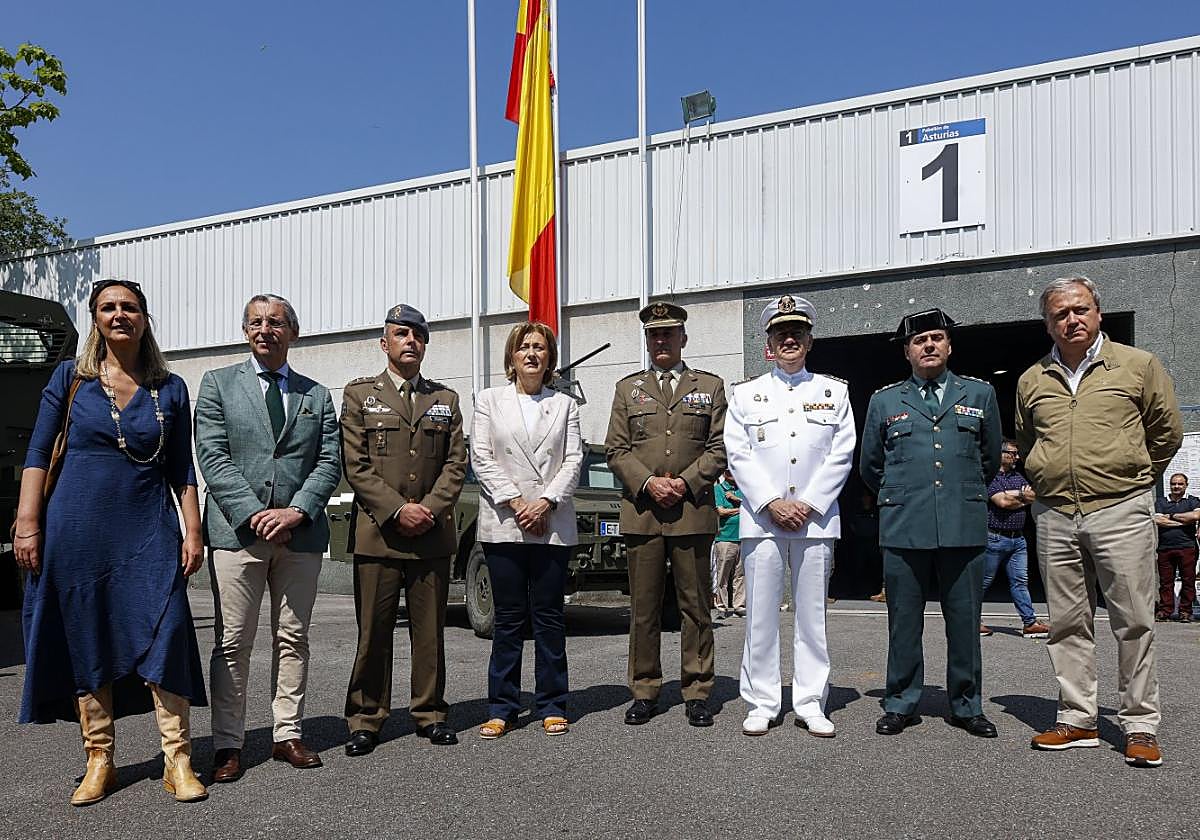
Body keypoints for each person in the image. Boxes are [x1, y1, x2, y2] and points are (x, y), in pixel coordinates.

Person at [14, 278, 208, 804]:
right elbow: (37, 453)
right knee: (87, 634)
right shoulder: (69, 378)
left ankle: (178, 758)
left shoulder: (170, 388)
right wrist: (27, 523)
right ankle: (99, 758)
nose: (119, 315)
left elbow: (180, 468)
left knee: (166, 631)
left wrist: (194, 530)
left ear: (144, 318)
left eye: (129, 307)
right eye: (108, 307)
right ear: (96, 319)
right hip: (76, 530)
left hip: (149, 529)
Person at [1017, 276, 1182, 768]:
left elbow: (1166, 432)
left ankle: (1140, 723)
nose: (1072, 319)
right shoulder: (1032, 380)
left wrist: (1132, 478)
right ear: (1048, 323)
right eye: (1060, 314)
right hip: (1055, 513)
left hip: (1120, 508)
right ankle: (1078, 718)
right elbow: (1029, 443)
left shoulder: (1138, 365)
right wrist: (1049, 479)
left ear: (1098, 312)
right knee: (1067, 622)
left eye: (1080, 309)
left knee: (1133, 619)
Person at [195, 293, 341, 781]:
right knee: (233, 641)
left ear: (292, 333)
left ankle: (287, 734)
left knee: (293, 636)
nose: (265, 329)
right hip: (240, 534)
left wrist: (297, 511)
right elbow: (212, 456)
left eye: (276, 322)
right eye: (256, 322)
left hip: (299, 537)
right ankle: (228, 744)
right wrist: (257, 514)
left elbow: (328, 461)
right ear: (244, 331)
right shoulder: (216, 385)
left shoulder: (316, 396)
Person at [860, 308, 1001, 739]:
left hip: (962, 521)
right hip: (905, 524)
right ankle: (901, 700)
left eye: (937, 338)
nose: (929, 346)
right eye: (919, 341)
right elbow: (870, 464)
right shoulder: (884, 401)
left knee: (964, 620)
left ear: (949, 345)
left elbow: (990, 458)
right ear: (907, 352)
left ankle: (966, 704)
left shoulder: (980, 395)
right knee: (904, 619)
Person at [725, 295, 855, 737]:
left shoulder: (834, 392)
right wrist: (770, 501)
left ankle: (811, 701)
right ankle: (762, 700)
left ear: (809, 340)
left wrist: (810, 503)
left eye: (797, 332)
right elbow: (738, 454)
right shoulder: (746, 393)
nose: (789, 339)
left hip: (816, 520)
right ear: (769, 343)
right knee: (760, 614)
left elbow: (842, 453)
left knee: (811, 615)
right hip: (762, 519)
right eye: (781, 333)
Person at [341, 304, 467, 755]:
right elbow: (355, 465)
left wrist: (428, 510)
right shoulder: (360, 395)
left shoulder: (445, 400)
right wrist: (398, 510)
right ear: (385, 343)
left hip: (431, 535)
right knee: (373, 633)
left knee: (429, 632)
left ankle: (430, 713)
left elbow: (456, 465)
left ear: (426, 344)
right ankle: (366, 718)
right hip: (380, 535)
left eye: (417, 335)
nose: (409, 341)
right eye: (400, 334)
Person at [605, 301, 727, 728]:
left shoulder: (709, 387)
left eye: (669, 333)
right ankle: (644, 689)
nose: (661, 340)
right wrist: (648, 483)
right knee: (644, 609)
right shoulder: (628, 389)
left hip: (692, 511)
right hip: (643, 512)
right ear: (647, 340)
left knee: (696, 608)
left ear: (683, 339)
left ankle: (697, 691)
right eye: (654, 335)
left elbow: (719, 447)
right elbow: (616, 449)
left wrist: (686, 482)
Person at [470, 321, 584, 739]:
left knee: (550, 617)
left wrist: (546, 502)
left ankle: (553, 703)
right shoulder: (488, 400)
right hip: (505, 521)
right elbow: (481, 457)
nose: (532, 354)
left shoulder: (566, 405)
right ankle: (503, 705)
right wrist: (517, 502)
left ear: (550, 358)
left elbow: (573, 459)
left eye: (540, 347)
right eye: (524, 348)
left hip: (551, 522)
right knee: (509, 619)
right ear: (512, 357)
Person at [979, 441, 1050, 638]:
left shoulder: (1017, 476)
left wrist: (1015, 496)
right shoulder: (990, 475)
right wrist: (1021, 495)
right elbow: (1002, 502)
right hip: (995, 537)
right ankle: (971, 620)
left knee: (1020, 581)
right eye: (1012, 453)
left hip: (1017, 540)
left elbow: (1034, 495)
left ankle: (1030, 623)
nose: (1017, 457)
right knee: (983, 581)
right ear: (1000, 453)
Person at [1153, 473, 1199, 622]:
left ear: (1186, 485)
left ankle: (1185, 611)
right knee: (1166, 582)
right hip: (1165, 547)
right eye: (1173, 484)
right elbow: (1158, 520)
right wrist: (1183, 521)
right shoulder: (1161, 502)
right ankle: (1165, 610)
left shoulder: (1193, 501)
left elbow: (1195, 516)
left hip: (1187, 547)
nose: (1176, 486)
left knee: (1188, 580)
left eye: (1180, 484)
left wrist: (1171, 516)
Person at [713, 469, 745, 619]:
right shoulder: (718, 489)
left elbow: (754, 507)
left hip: (744, 537)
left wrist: (737, 501)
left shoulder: (743, 489)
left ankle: (739, 606)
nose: (732, 473)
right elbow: (721, 511)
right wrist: (742, 509)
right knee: (723, 574)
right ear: (724, 474)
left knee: (741, 575)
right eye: (729, 471)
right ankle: (722, 606)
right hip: (725, 537)